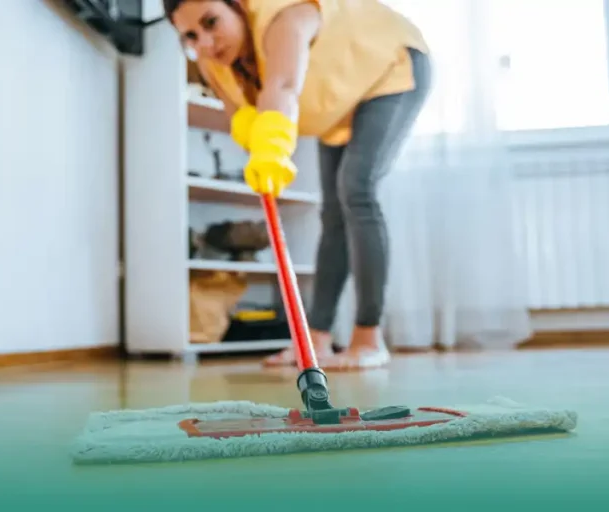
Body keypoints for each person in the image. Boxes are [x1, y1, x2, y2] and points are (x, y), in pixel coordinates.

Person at [165, 0, 431, 370]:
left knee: (357, 190)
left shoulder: (285, 15)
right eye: (191, 36)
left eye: (212, 22)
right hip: (338, 102)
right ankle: (314, 342)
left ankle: (369, 339)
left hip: (389, 65)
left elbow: (285, 85)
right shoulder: (211, 62)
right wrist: (257, 144)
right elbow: (240, 116)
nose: (205, 43)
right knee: (333, 212)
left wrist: (273, 150)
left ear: (238, 5)